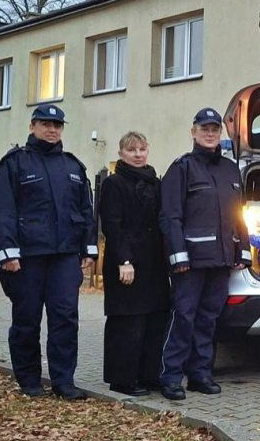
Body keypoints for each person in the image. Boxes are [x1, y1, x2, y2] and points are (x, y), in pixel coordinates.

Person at [0, 104, 98, 400]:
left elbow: (86, 211)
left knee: (65, 319)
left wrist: (89, 249)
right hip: (28, 257)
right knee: (27, 319)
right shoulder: (15, 163)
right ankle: (29, 380)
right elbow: (2, 211)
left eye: (57, 125)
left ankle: (63, 381)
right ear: (33, 126)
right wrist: (7, 253)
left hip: (64, 256)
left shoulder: (73, 167)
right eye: (46, 124)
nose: (52, 130)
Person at [158, 107, 251, 401]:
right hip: (190, 262)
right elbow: (170, 216)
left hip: (222, 259)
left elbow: (240, 214)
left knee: (209, 319)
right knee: (183, 317)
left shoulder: (230, 170)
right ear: (193, 131)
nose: (210, 133)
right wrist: (178, 255)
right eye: (204, 129)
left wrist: (244, 249)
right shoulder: (182, 168)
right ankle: (171, 376)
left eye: (214, 129)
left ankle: (200, 374)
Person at [98, 131, 170, 396]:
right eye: (132, 150)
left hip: (154, 264)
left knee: (153, 322)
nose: (138, 154)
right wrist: (123, 260)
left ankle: (149, 375)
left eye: (142, 149)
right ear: (121, 154)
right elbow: (112, 226)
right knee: (128, 323)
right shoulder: (114, 184)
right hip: (127, 263)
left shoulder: (155, 182)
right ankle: (122, 379)